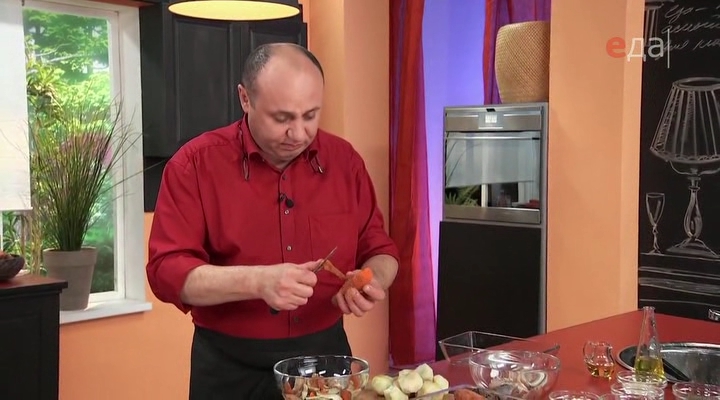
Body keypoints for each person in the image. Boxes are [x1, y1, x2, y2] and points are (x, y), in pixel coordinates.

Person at [146, 42, 400, 400]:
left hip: (327, 360)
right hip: (229, 370)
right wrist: (257, 281)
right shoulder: (194, 165)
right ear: (245, 98)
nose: (299, 133)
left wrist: (372, 281)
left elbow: (381, 249)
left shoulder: (345, 162)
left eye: (310, 115)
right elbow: (166, 272)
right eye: (282, 119)